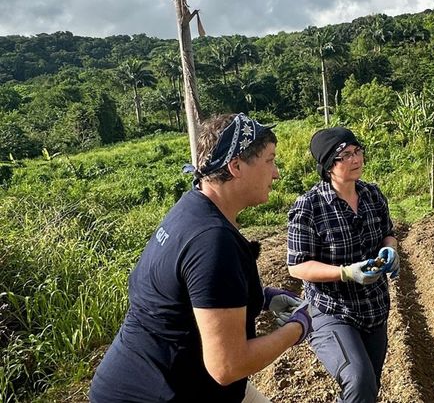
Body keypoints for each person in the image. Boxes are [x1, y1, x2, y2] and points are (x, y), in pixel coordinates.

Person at [90, 113, 312, 403]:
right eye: (270, 160)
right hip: (154, 393)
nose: (277, 173)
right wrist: (298, 327)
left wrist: (261, 295)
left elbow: (194, 291)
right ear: (235, 167)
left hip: (160, 377)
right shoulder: (212, 240)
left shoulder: (194, 207)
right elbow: (227, 366)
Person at [286, 127, 399, 403]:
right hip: (331, 310)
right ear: (328, 166)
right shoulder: (309, 207)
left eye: (357, 151)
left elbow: (389, 232)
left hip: (374, 307)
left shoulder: (372, 195)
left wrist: (390, 250)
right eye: (345, 155)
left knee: (368, 386)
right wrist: (345, 273)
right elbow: (297, 266)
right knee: (359, 381)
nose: (355, 159)